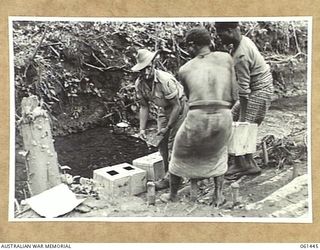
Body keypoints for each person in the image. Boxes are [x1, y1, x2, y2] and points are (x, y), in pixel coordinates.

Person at [160, 28, 238, 207]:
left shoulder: (184, 69)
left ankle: (173, 195)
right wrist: (222, 110)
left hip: (198, 115)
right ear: (209, 42)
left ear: (191, 46)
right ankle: (218, 196)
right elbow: (235, 94)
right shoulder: (226, 58)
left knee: (178, 153)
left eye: (188, 47)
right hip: (224, 113)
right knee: (219, 152)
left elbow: (189, 98)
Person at [215, 22, 274, 179]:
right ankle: (240, 161)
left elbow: (244, 91)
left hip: (260, 91)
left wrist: (242, 119)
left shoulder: (241, 55)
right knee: (231, 120)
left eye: (221, 35)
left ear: (230, 31)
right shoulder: (243, 40)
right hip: (258, 88)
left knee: (243, 127)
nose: (219, 39)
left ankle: (248, 164)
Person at [131, 49, 188, 190]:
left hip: (180, 107)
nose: (145, 73)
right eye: (142, 70)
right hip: (163, 109)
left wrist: (168, 127)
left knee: (173, 142)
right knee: (161, 143)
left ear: (153, 66)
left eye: (147, 68)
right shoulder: (139, 84)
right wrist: (142, 129)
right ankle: (170, 175)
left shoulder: (165, 80)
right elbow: (144, 107)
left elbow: (176, 106)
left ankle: (176, 178)